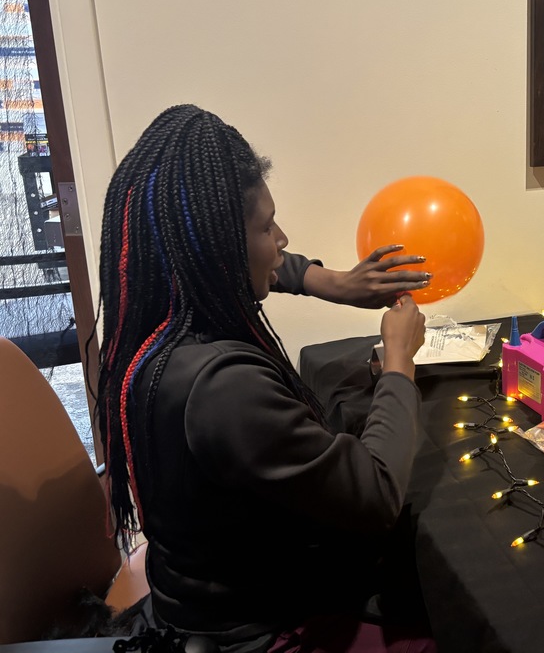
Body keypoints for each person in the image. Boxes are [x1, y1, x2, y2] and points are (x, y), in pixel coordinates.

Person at [93, 104, 436, 653]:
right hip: (253, 632)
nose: (282, 237)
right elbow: (375, 495)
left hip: (192, 599)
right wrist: (399, 362)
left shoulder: (157, 329)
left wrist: (332, 282)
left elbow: (276, 262)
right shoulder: (224, 388)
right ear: (219, 247)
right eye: (265, 225)